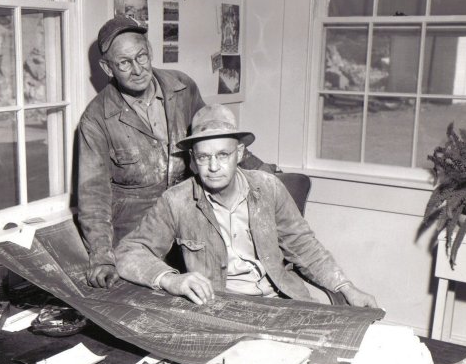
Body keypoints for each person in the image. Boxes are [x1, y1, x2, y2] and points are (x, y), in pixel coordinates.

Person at [115, 104, 378, 308]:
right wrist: (171, 279)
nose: (214, 167)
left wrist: (346, 287)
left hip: (282, 299)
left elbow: (305, 248)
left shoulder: (268, 187)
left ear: (239, 153)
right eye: (204, 157)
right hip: (223, 308)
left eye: (223, 155)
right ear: (193, 160)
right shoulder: (176, 201)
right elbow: (128, 252)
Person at [77, 17, 274, 289]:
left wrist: (262, 171)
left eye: (141, 56)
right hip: (138, 237)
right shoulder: (96, 119)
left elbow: (214, 135)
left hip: (190, 224)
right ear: (107, 68)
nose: (137, 69)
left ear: (150, 51)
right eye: (124, 63)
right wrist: (102, 258)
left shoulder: (182, 87)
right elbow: (93, 196)